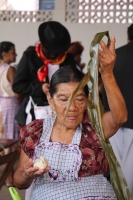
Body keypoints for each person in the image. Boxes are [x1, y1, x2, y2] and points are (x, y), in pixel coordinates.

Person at [13, 36, 128, 200]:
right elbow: (19, 181)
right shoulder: (34, 131)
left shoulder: (94, 127)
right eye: (63, 99)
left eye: (79, 100)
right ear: (50, 100)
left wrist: (108, 73)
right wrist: (26, 175)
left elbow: (120, 117)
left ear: (87, 101)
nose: (72, 108)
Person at [12, 21, 77, 127]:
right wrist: (40, 88)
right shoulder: (30, 57)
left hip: (62, 111)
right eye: (50, 50)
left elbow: (75, 83)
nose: (53, 54)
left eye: (57, 51)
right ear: (42, 44)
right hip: (36, 111)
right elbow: (17, 86)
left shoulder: (67, 59)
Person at [102, 24, 133, 199]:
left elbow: (102, 87)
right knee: (130, 172)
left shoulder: (115, 56)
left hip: (113, 119)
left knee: (115, 167)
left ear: (128, 35)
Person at [0, 41, 21, 186]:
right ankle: (10, 177)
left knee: (5, 139)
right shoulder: (10, 69)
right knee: (12, 141)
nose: (16, 54)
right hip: (11, 105)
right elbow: (17, 92)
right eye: (13, 51)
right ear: (4, 54)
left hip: (2, 105)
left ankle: (8, 176)